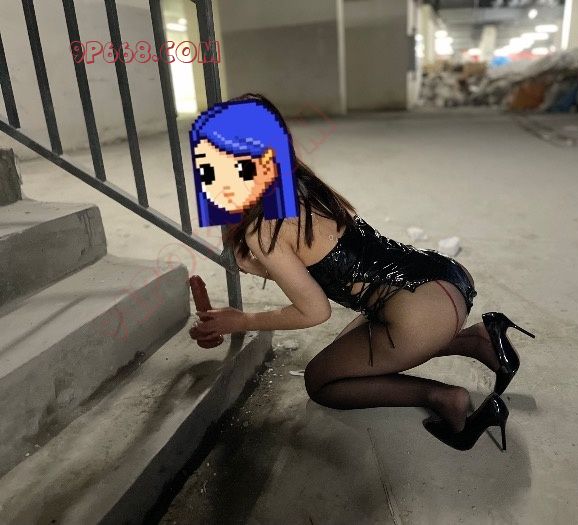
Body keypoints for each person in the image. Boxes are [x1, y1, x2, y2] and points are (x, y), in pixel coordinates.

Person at [191, 93, 535, 451]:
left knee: (322, 381)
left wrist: (242, 320)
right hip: (444, 278)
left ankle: (446, 399)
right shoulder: (300, 181)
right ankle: (482, 340)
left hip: (417, 313)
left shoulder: (264, 228)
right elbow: (317, 262)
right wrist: (253, 262)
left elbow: (314, 311)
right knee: (347, 355)